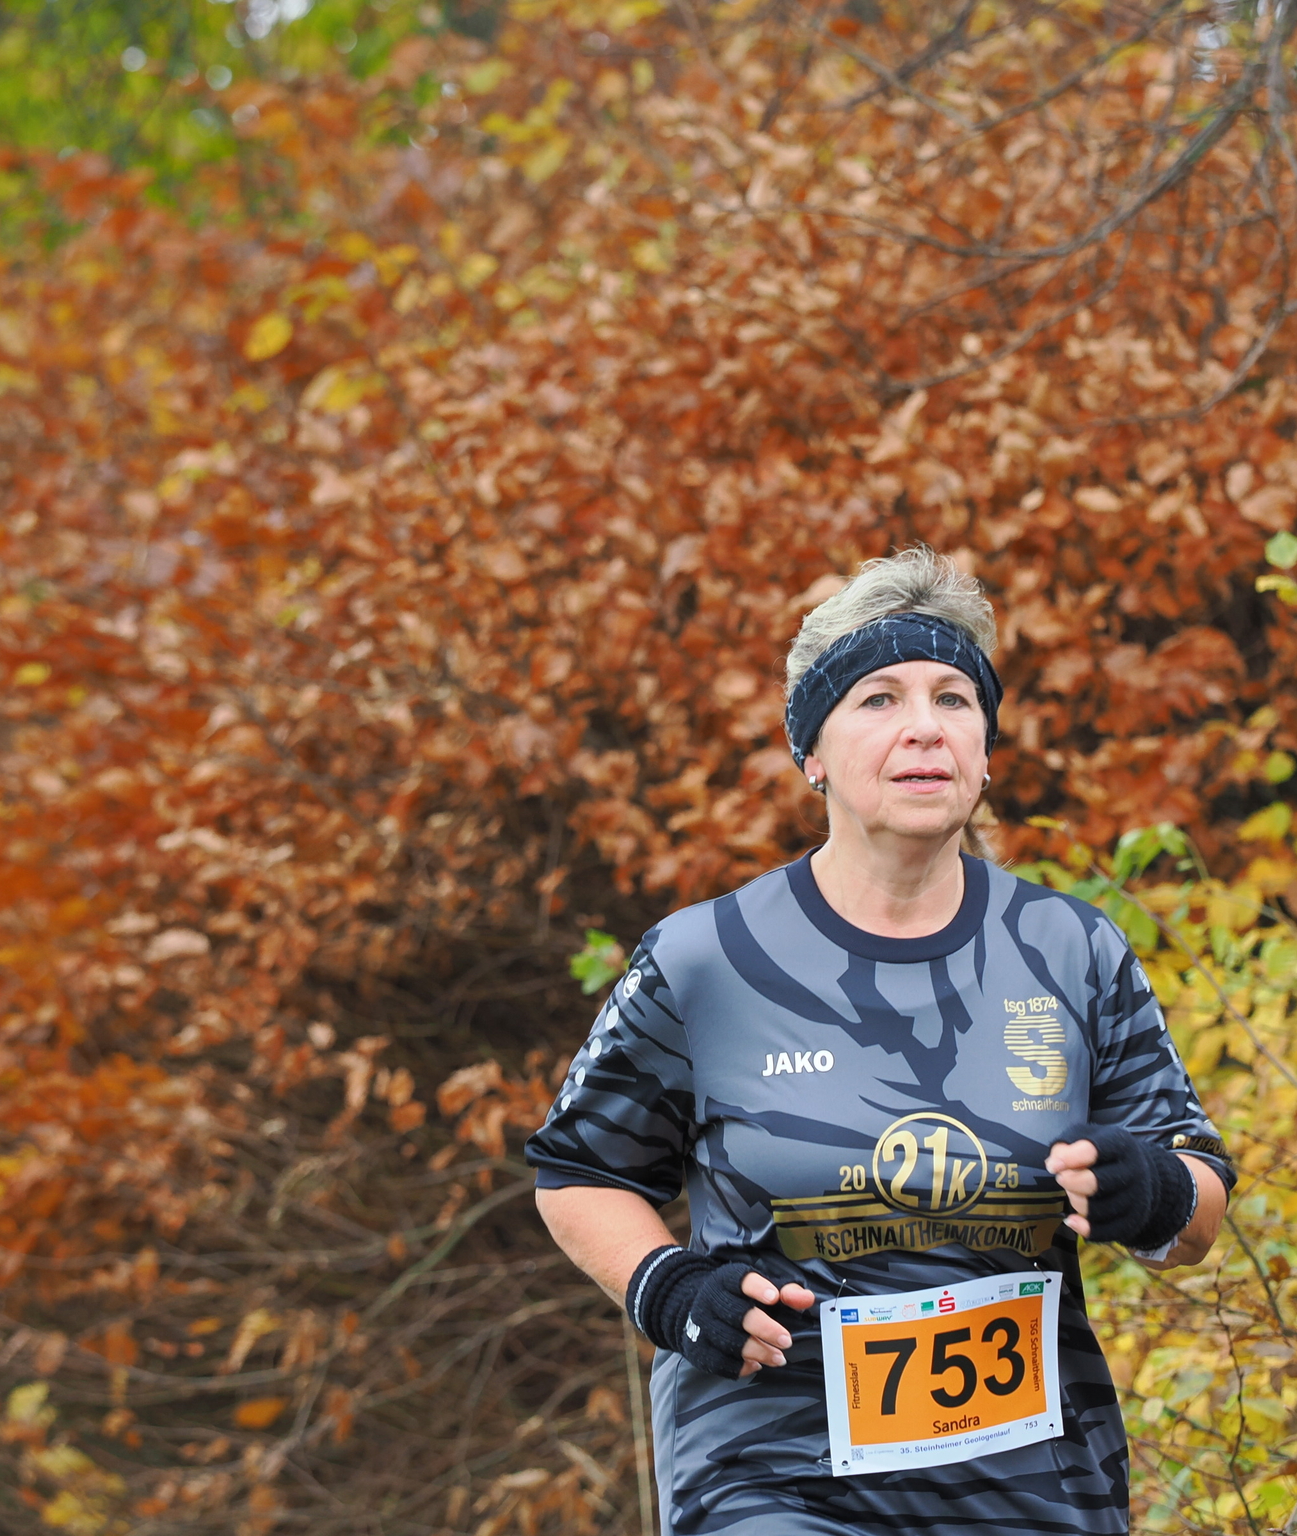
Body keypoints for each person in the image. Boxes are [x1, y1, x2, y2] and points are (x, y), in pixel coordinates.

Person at [527, 547, 1234, 1535]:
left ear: (985, 748)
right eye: (878, 699)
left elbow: (1197, 1200)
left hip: (1028, 1482)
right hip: (770, 1475)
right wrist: (667, 1285)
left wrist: (1150, 1190)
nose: (924, 727)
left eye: (953, 699)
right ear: (810, 752)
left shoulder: (1070, 950)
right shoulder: (706, 960)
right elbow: (577, 1173)